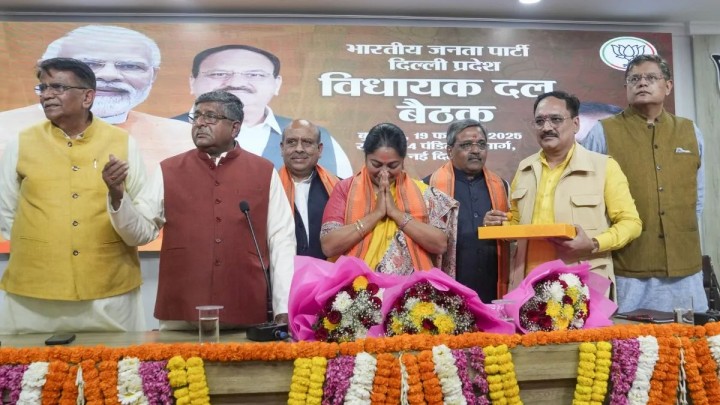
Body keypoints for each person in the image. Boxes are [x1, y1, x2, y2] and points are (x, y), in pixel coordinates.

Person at [108, 90, 295, 328]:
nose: (200, 123)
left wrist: (283, 308)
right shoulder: (169, 169)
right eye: (196, 116)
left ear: (235, 128)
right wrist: (118, 197)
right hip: (181, 310)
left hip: (245, 307)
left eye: (211, 117)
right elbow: (140, 233)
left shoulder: (263, 171)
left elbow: (281, 241)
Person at [0, 58, 147, 333]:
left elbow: (142, 214)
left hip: (109, 291)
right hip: (33, 294)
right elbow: (7, 211)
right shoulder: (21, 142)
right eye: (43, 87)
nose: (47, 95)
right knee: (25, 361)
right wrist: (45, 244)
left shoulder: (122, 143)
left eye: (57, 87)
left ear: (87, 97)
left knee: (118, 360)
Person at [582, 54, 707, 313]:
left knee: (689, 337)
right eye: (634, 79)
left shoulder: (689, 131)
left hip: (683, 265)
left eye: (651, 77)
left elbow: (699, 195)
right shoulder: (603, 132)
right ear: (626, 87)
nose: (642, 83)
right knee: (629, 336)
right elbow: (589, 199)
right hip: (628, 265)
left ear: (668, 86)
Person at [485, 91, 642, 293]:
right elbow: (518, 224)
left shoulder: (604, 167)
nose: (546, 127)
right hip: (528, 285)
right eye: (540, 121)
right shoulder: (524, 168)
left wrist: (594, 243)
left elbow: (631, 223)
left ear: (575, 124)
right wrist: (499, 224)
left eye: (556, 119)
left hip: (581, 286)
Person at [0, 25, 194, 170]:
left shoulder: (184, 137)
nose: (109, 75)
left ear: (153, 75)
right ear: (47, 72)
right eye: (89, 64)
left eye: (130, 66)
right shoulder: (5, 129)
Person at [173, 44, 352, 178]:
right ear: (192, 82)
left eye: (255, 75)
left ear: (277, 84)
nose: (236, 83)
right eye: (219, 74)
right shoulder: (163, 130)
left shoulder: (317, 137)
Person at [320, 122, 458, 275]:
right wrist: (376, 214)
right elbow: (329, 247)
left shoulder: (423, 193)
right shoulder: (345, 189)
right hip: (356, 285)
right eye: (376, 164)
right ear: (365, 158)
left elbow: (440, 245)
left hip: (410, 287)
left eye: (392, 166)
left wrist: (395, 213)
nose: (384, 172)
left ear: (403, 161)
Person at [424, 119, 510, 302]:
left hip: (492, 287)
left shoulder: (502, 186)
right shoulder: (428, 186)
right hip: (448, 287)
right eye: (466, 145)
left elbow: (515, 238)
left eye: (481, 144)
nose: (476, 150)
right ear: (449, 151)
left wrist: (504, 227)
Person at [279, 119, 339, 260]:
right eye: (292, 142)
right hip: (281, 271)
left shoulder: (339, 188)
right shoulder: (268, 188)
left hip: (329, 271)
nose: (299, 149)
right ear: (282, 148)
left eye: (307, 142)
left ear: (319, 149)